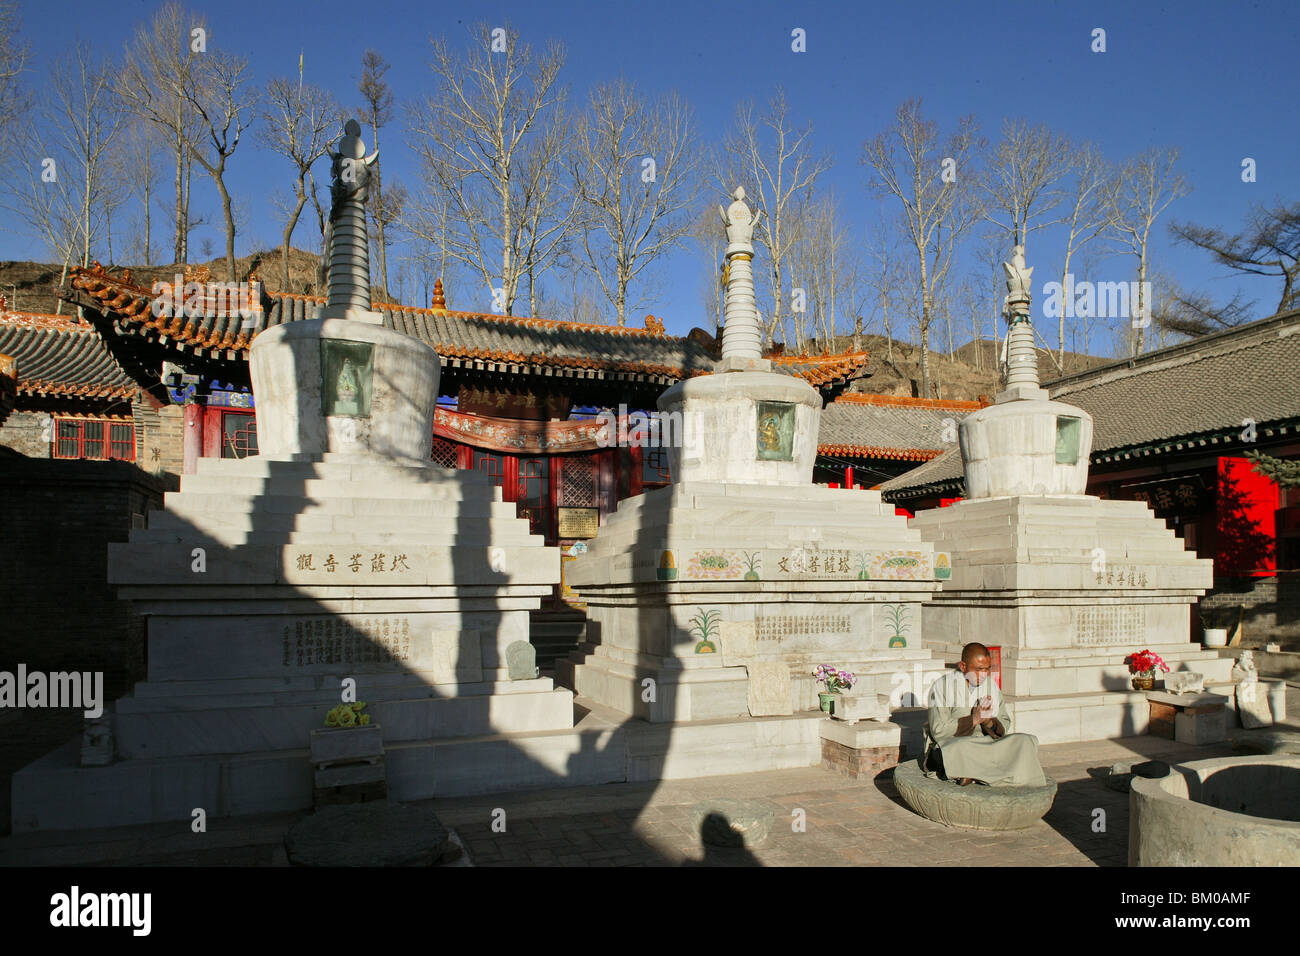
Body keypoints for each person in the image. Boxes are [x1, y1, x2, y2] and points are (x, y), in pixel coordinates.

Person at [925, 642, 1046, 787]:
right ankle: (983, 771)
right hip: (957, 745)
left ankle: (971, 772)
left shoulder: (990, 686)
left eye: (987, 669)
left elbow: (1004, 725)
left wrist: (988, 722)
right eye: (978, 669)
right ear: (963, 666)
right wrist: (974, 720)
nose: (984, 674)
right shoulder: (942, 687)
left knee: (1025, 741)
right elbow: (939, 731)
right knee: (961, 749)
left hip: (985, 744)